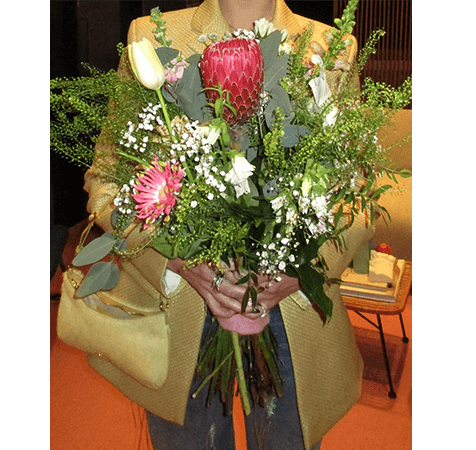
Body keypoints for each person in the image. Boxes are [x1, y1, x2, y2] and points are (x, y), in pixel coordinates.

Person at [81, 1, 373, 448]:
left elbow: (359, 198)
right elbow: (106, 184)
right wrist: (176, 258)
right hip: (178, 310)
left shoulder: (331, 48)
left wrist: (299, 273)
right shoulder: (154, 37)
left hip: (290, 312)